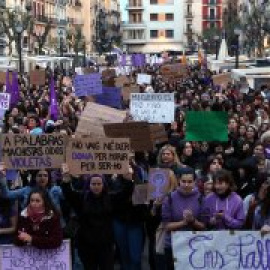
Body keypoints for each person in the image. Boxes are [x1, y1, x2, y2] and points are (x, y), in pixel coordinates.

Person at [61, 165, 115, 270]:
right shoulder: (82, 198)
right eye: (93, 184)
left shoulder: (110, 198)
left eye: (99, 184)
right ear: (88, 185)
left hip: (105, 244)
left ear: (103, 185)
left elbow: (124, 194)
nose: (96, 186)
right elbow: (69, 194)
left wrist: (128, 180)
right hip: (86, 244)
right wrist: (66, 181)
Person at [161, 167, 205, 270]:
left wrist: (193, 221)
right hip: (173, 245)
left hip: (194, 245)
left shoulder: (201, 198)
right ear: (178, 181)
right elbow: (166, 226)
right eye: (183, 181)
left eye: (190, 182)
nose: (186, 185)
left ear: (195, 182)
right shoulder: (170, 198)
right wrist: (184, 222)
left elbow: (204, 226)